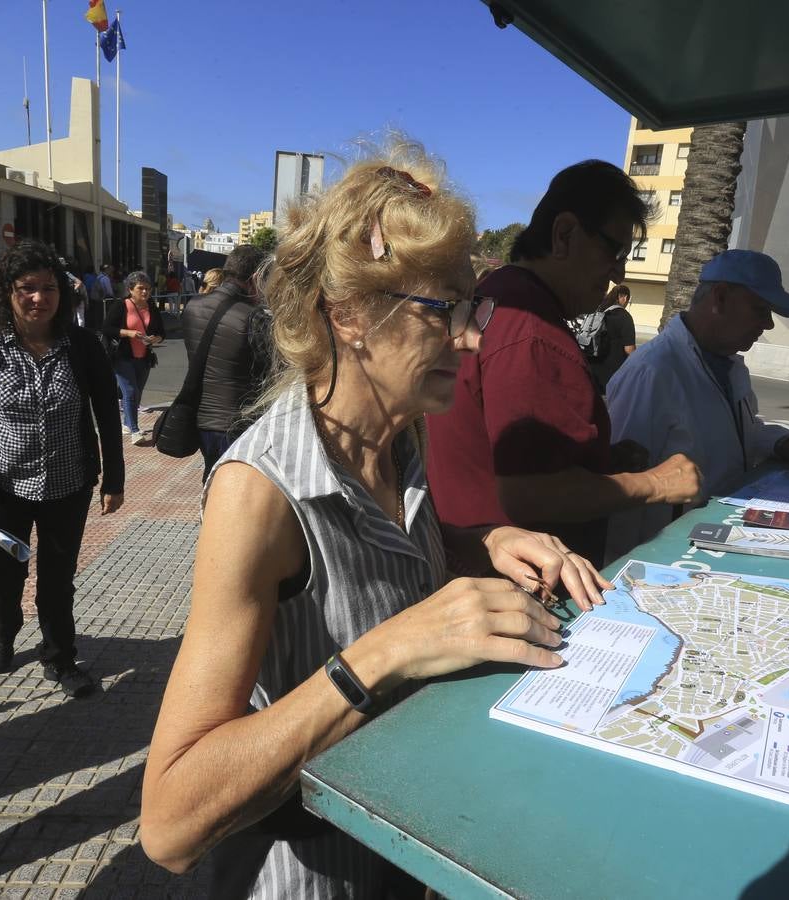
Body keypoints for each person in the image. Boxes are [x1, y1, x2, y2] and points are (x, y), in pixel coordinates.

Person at [140, 145, 610, 897]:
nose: (472, 337)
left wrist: (487, 540)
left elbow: (388, 556)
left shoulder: (403, 434)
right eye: (443, 309)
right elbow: (168, 824)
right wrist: (385, 652)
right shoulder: (259, 494)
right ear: (349, 315)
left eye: (473, 306)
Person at [426, 160, 703, 567]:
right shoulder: (533, 329)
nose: (619, 271)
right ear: (564, 235)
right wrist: (655, 484)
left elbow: (508, 450)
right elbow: (530, 493)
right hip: (515, 587)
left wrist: (598, 460)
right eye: (614, 251)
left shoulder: (498, 295)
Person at [0, 240, 125, 699]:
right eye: (28, 288)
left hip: (68, 486)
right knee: (3, 577)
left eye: (49, 288)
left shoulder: (82, 346)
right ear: (7, 292)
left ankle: (60, 656)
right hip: (2, 487)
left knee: (57, 578)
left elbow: (107, 412)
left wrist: (114, 478)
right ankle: (3, 634)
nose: (39, 298)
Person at [604, 249, 789, 556]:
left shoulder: (729, 364)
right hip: (672, 554)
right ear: (719, 298)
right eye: (761, 310)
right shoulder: (653, 371)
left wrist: (786, 444)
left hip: (720, 536)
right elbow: (624, 484)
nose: (768, 325)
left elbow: (740, 432)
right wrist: (624, 569)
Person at [179, 244, 272, 479]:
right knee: (235, 487)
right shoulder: (254, 316)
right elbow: (271, 369)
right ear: (256, 277)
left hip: (200, 418)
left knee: (212, 478)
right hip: (237, 420)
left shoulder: (193, 307)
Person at [103, 271, 166, 444]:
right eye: (141, 288)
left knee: (137, 393)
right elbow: (107, 328)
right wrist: (129, 333)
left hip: (144, 357)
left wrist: (156, 338)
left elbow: (161, 332)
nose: (145, 292)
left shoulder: (151, 306)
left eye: (148, 289)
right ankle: (135, 431)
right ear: (131, 289)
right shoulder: (121, 305)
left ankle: (126, 423)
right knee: (130, 392)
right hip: (122, 356)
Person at [581, 283, 637, 393]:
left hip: (591, 371)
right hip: (611, 375)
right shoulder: (624, 317)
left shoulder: (598, 312)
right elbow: (629, 349)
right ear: (624, 297)